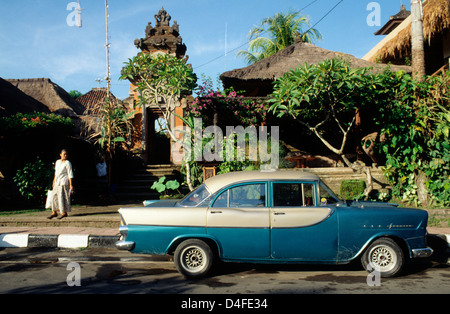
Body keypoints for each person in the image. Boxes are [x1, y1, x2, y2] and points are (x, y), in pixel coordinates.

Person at [48, 149, 74, 219]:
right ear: (60, 154)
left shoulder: (68, 163)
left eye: (66, 154)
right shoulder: (58, 162)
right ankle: (54, 212)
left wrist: (71, 184)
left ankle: (63, 212)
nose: (65, 156)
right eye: (64, 154)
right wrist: (53, 181)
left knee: (62, 197)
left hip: (63, 182)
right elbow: (56, 173)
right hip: (57, 182)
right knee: (54, 197)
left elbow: (70, 174)